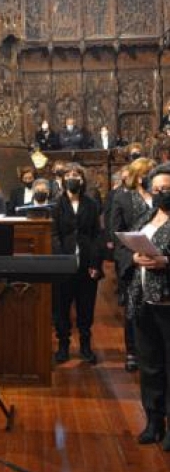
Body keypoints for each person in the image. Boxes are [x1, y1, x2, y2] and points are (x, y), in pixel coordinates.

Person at [126, 164, 170, 449]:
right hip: (143, 299)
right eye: (156, 190)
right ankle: (154, 422)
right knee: (150, 364)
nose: (161, 194)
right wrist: (134, 258)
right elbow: (129, 246)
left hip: (168, 301)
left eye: (166, 189)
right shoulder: (146, 215)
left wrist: (166, 262)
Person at [52, 163, 103, 364]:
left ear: (82, 180)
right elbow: (54, 234)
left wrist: (95, 264)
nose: (72, 178)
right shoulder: (57, 205)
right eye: (69, 175)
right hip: (63, 263)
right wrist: (61, 260)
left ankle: (85, 346)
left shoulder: (91, 204)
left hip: (86, 263)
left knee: (86, 306)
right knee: (62, 307)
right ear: (63, 180)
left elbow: (97, 235)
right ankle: (63, 346)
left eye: (76, 175)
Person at [111, 157, 157, 373]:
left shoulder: (161, 197)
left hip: (159, 261)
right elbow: (117, 234)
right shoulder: (122, 197)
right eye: (146, 173)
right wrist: (132, 258)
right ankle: (132, 351)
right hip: (134, 262)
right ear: (138, 177)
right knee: (133, 309)